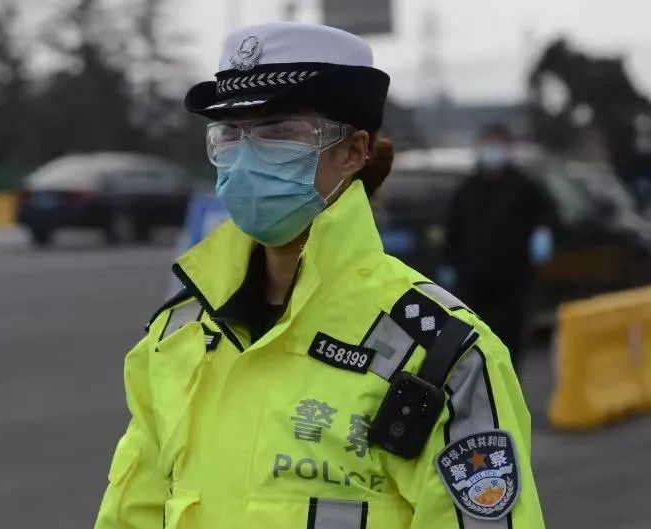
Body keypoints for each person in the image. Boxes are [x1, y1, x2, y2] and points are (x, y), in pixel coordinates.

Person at [95, 23, 544, 529]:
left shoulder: (443, 355)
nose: (245, 157)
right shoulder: (180, 331)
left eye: (278, 132)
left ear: (353, 151)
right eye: (229, 134)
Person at [443, 124, 556, 373]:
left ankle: (507, 394)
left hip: (511, 282)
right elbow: (452, 230)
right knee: (473, 344)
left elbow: (548, 215)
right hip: (471, 282)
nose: (493, 151)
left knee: (508, 343)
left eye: (498, 145)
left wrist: (543, 234)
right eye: (488, 145)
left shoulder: (525, 187)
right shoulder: (467, 189)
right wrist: (448, 264)